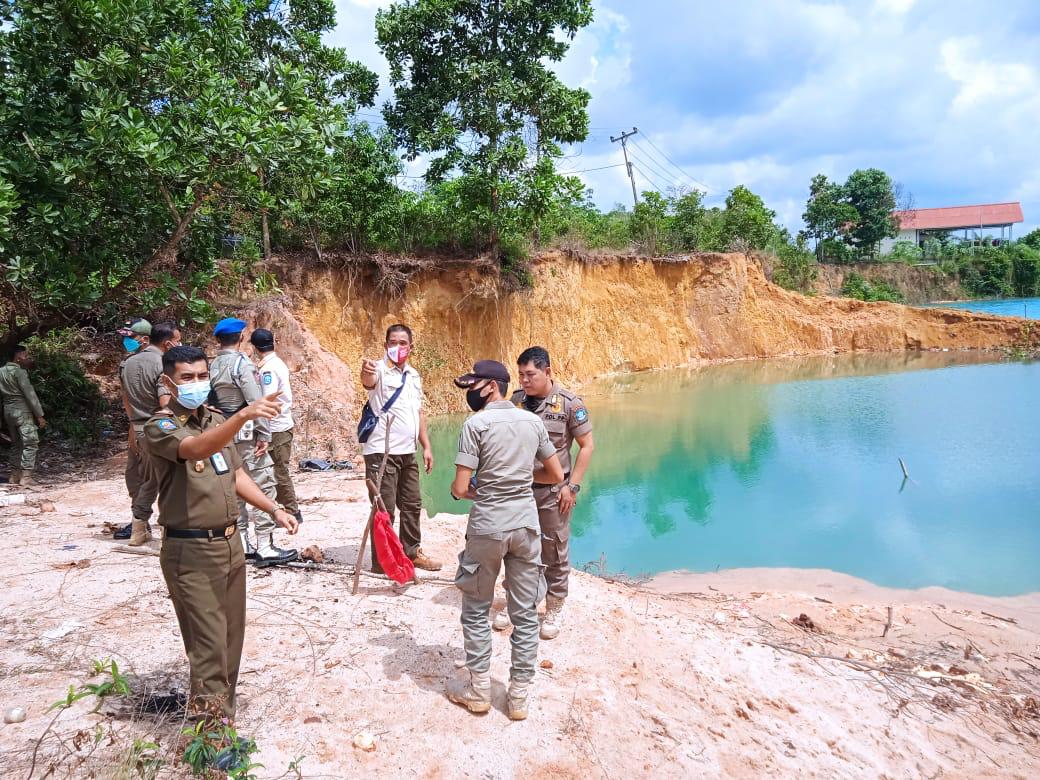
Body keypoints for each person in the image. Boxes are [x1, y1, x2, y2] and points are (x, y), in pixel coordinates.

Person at [143, 345, 299, 723]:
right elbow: (196, 449)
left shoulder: (214, 419)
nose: (197, 384)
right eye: (187, 377)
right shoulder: (160, 426)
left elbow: (236, 473)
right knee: (208, 645)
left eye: (201, 376)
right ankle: (210, 737)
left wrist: (274, 509)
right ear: (169, 381)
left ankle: (221, 719)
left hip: (230, 545)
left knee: (231, 640)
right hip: (190, 550)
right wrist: (243, 413)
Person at [447, 360, 564, 720]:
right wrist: (520, 478)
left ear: (491, 387)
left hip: (487, 527)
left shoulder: (476, 424)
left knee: (476, 608)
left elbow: (461, 487)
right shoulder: (532, 422)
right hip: (526, 525)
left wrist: (479, 490)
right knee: (525, 613)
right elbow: (555, 473)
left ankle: (480, 691)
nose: (470, 392)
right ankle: (518, 698)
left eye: (473, 385)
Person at [494, 347, 594, 639]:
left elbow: (586, 446)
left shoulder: (569, 404)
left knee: (553, 549)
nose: (525, 380)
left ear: (547, 372)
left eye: (531, 374)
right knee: (516, 547)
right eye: (521, 374)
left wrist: (571, 486)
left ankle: (553, 605)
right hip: (520, 490)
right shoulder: (516, 401)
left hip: (554, 491)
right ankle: (516, 600)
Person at [210, 318, 297, 566]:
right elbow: (255, 402)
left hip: (224, 431)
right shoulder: (242, 364)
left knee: (234, 485)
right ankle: (266, 545)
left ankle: (243, 542)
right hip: (247, 433)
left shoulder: (213, 365)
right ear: (240, 338)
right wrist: (264, 434)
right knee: (262, 484)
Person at [360, 324, 440, 572]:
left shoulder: (414, 375)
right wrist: (365, 372)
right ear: (385, 346)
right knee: (384, 508)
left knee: (412, 503)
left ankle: (411, 551)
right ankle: (382, 562)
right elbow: (368, 381)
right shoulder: (379, 369)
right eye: (392, 342)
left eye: (402, 343)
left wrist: (426, 445)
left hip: (407, 452)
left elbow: (419, 413)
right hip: (382, 453)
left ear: (411, 347)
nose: (397, 347)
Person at [117, 318, 181, 545]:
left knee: (144, 477)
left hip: (138, 426)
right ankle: (162, 530)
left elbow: (126, 399)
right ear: (166, 343)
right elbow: (165, 402)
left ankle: (139, 528)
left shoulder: (128, 364)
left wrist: (134, 426)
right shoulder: (163, 364)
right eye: (177, 342)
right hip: (159, 428)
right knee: (164, 480)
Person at [250, 329, 303, 524]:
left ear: (254, 347)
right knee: (276, 470)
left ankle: (291, 510)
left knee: (279, 471)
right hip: (279, 424)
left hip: (276, 426)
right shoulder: (276, 363)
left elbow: (268, 398)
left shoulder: (268, 369)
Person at [0, 345, 46, 486]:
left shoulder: (1, 371)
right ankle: (26, 477)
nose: (28, 359)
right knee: (31, 442)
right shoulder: (20, 373)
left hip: (8, 411)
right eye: (26, 356)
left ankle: (14, 476)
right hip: (22, 412)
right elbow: (29, 395)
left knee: (16, 444)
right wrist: (40, 415)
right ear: (18, 357)